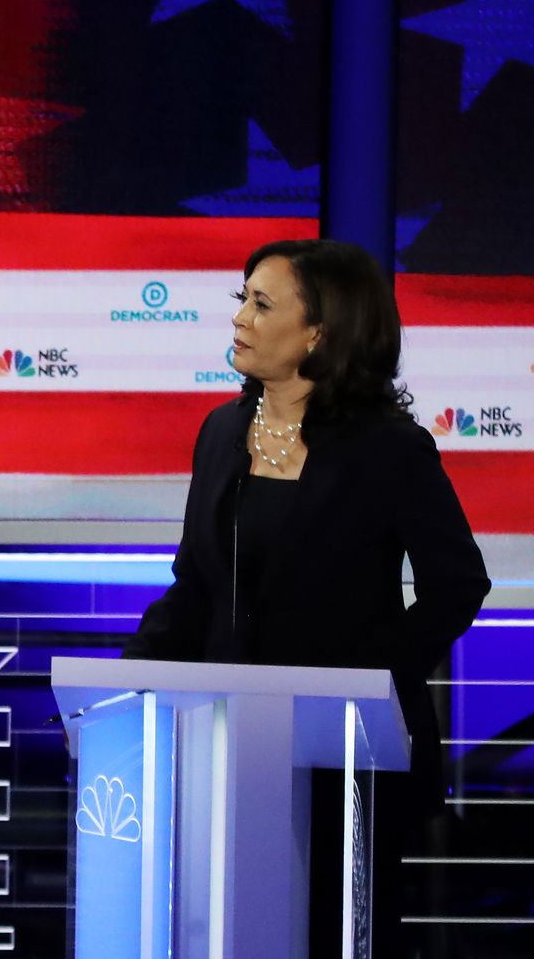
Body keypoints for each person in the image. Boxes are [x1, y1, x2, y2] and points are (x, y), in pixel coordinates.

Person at [123, 238, 490, 952]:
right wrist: (126, 680)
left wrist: (368, 678)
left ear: (319, 332)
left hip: (348, 760)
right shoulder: (221, 433)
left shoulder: (387, 448)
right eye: (242, 300)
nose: (240, 318)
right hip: (227, 747)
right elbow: (197, 585)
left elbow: (458, 586)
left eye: (261, 304)